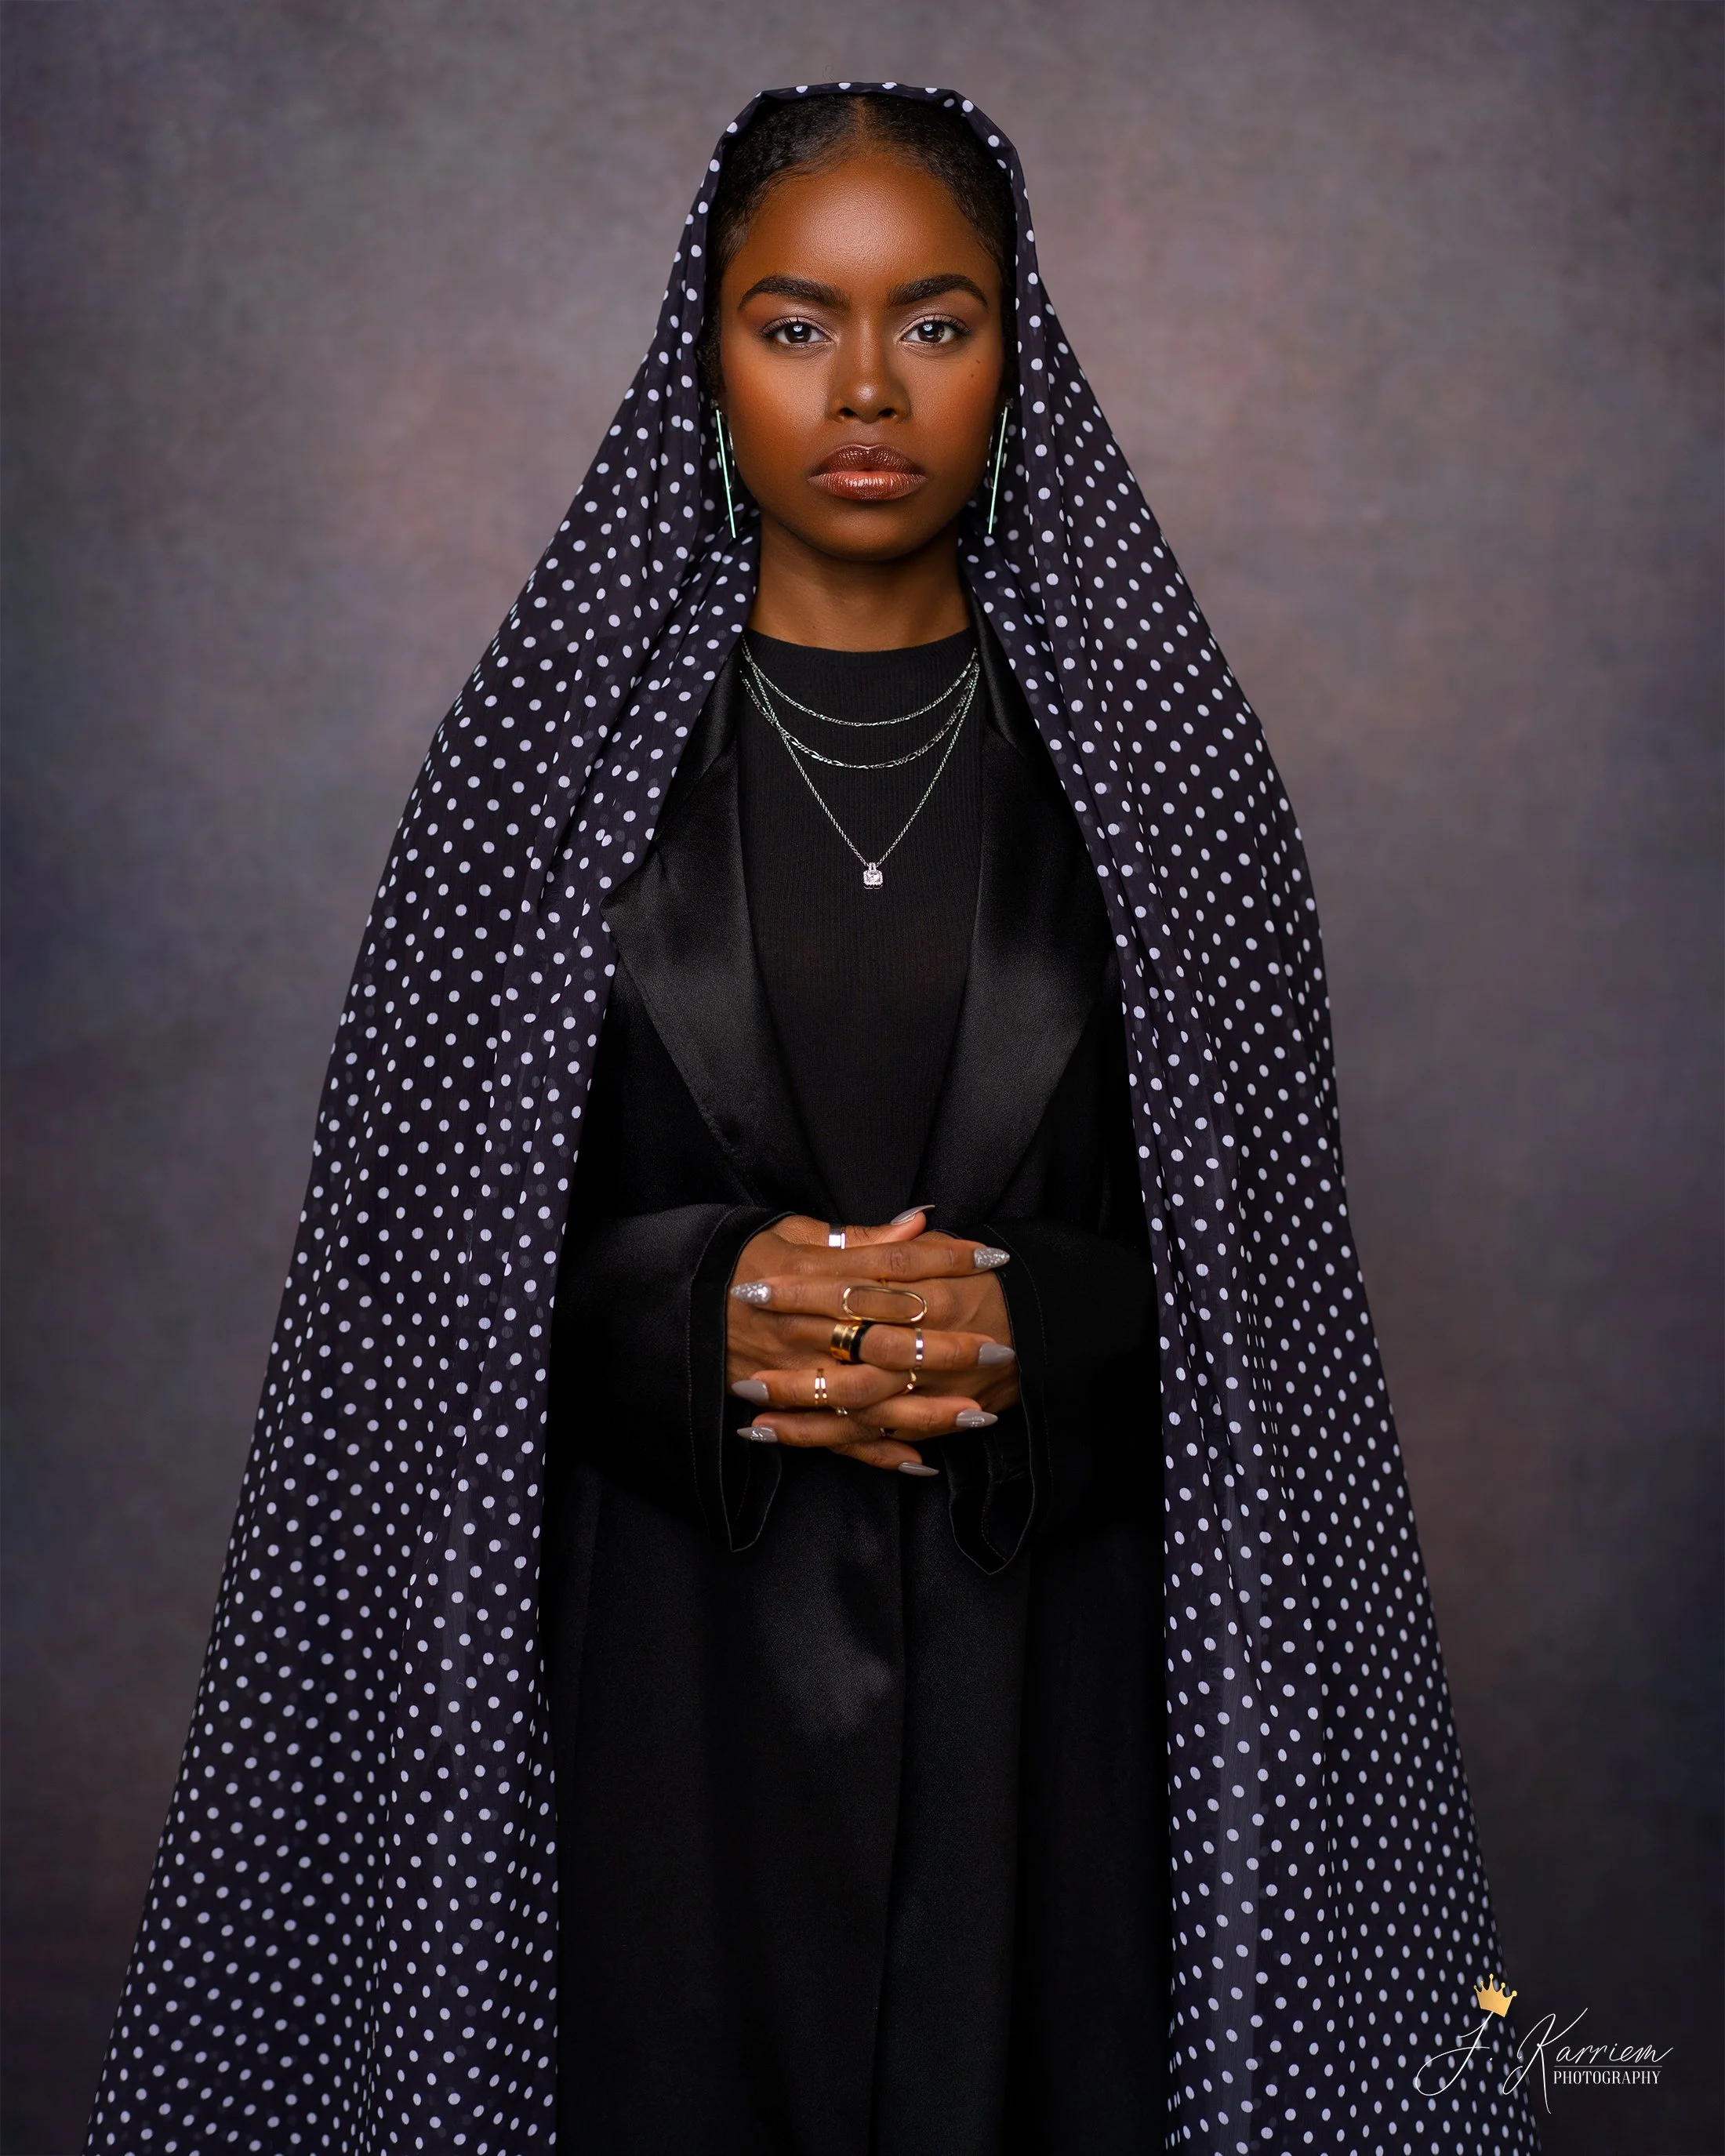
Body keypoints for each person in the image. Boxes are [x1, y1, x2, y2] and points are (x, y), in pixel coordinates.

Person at [88, 83, 1543, 2156]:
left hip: (1064, 1706)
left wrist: (1039, 1325)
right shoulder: (538, 775)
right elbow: (407, 1301)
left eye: (937, 322)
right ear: (706, 354)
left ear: (1019, 357)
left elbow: (1270, 1312)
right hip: (646, 1706)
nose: (867, 389)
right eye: (795, 324)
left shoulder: (1169, 783)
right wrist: (693, 1309)